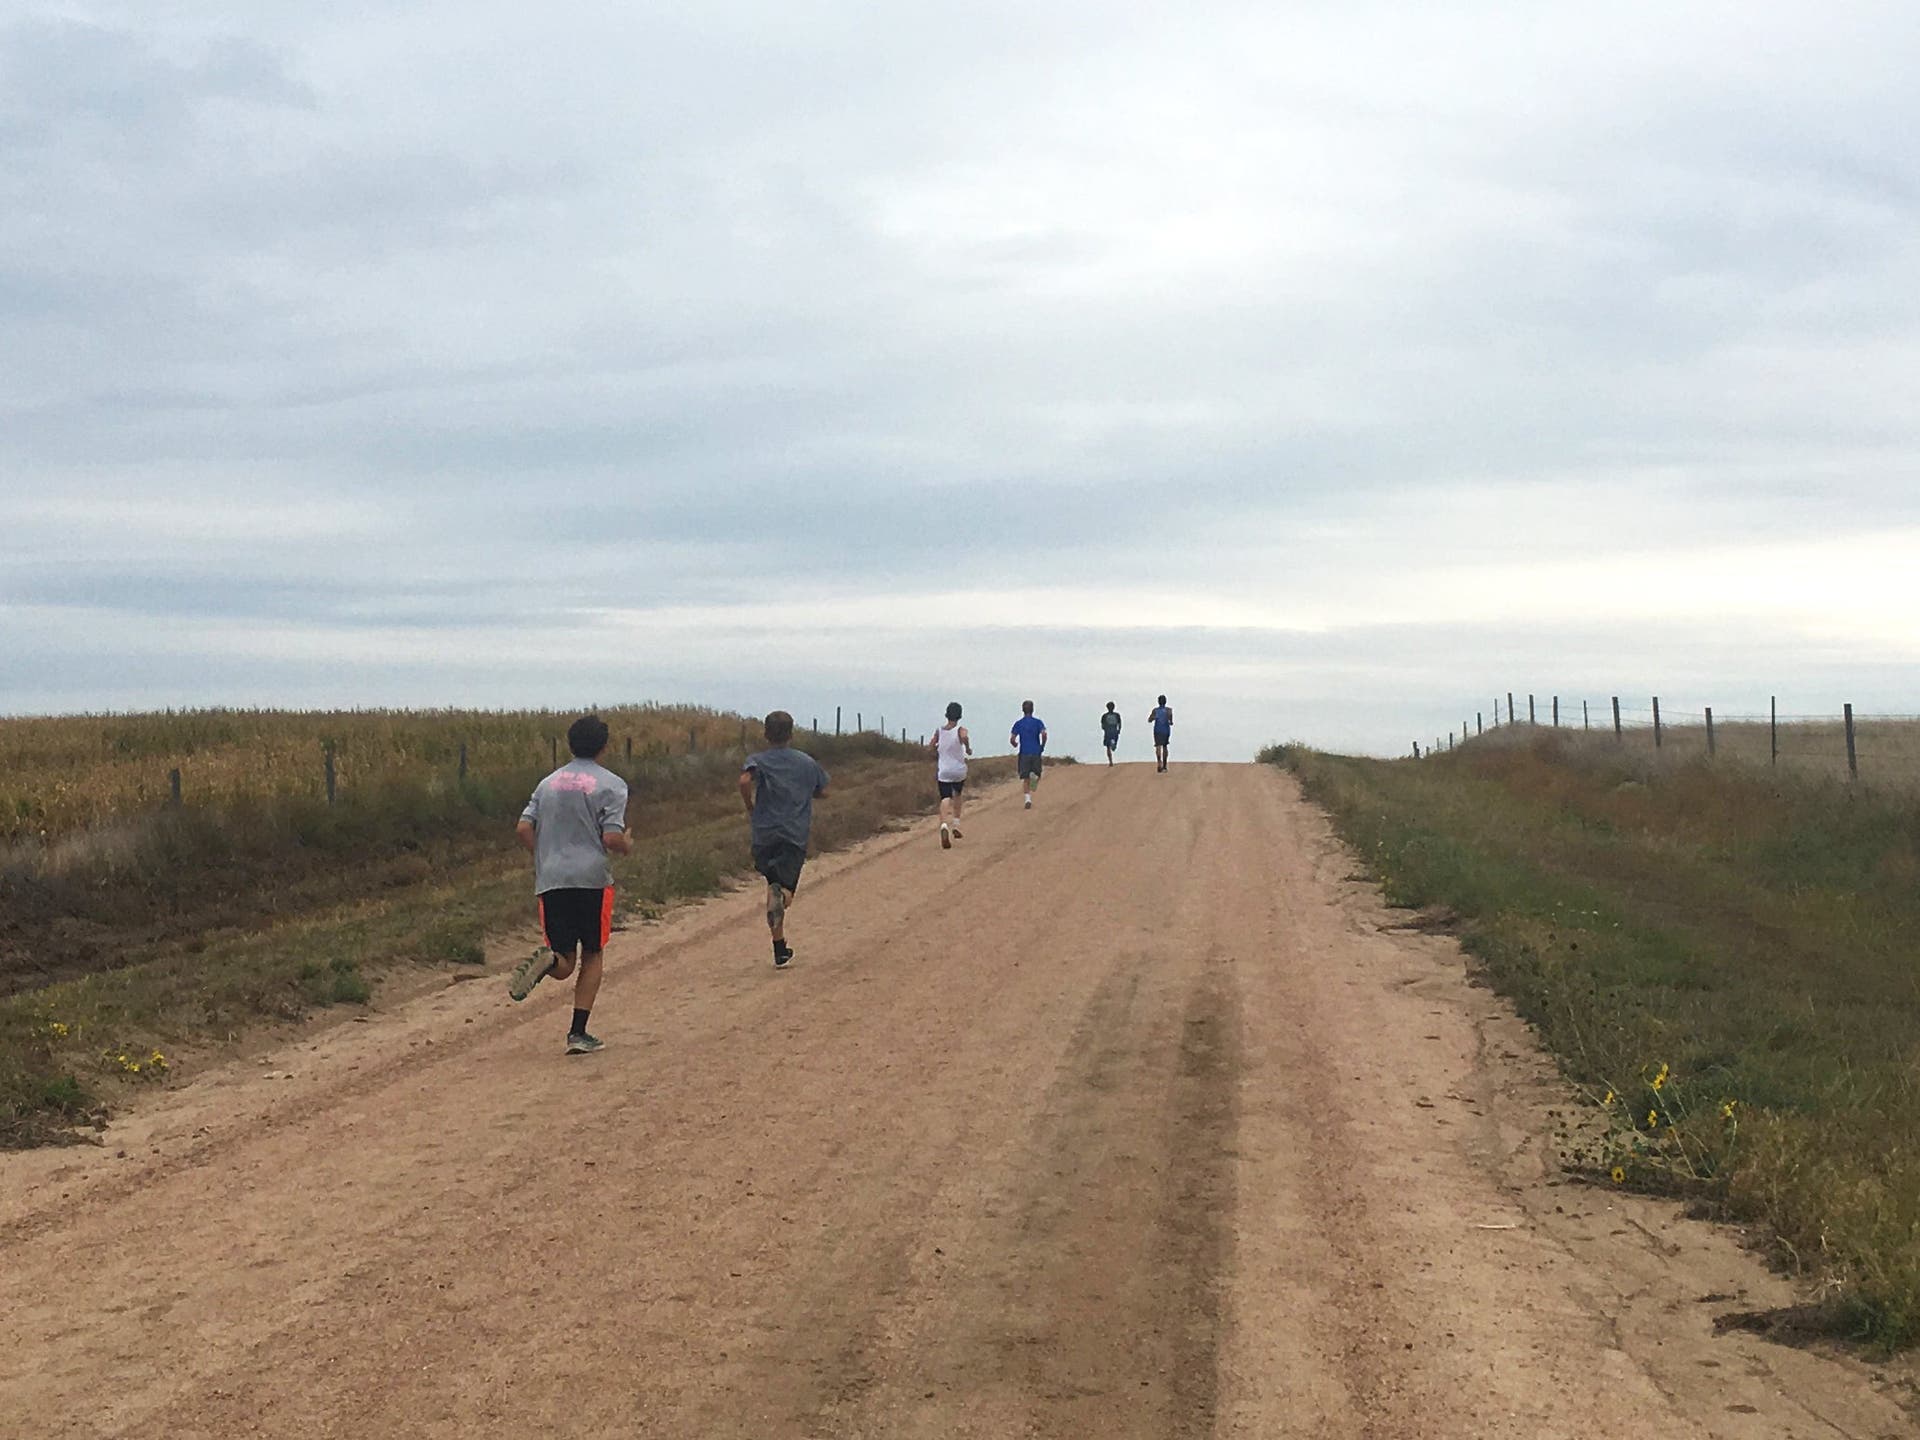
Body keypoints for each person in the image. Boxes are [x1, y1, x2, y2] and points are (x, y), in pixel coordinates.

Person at [508, 714, 634, 1055]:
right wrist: (627, 845)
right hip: (591, 879)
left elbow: (523, 828)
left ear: (569, 743)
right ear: (604, 746)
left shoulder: (547, 783)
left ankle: (547, 961)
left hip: (551, 878)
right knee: (593, 953)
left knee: (564, 961)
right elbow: (611, 836)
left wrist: (543, 855)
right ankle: (578, 1032)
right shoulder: (612, 784)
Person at [738, 710, 830, 970]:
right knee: (784, 891)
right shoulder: (806, 762)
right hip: (793, 834)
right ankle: (782, 899)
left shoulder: (756, 760)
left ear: (766, 734)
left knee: (772, 884)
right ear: (791, 733)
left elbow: (745, 780)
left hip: (764, 833)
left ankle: (779, 948)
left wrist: (750, 805)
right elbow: (823, 789)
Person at [929, 701, 970, 848]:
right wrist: (967, 747)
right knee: (957, 795)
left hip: (944, 770)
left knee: (945, 797)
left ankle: (943, 824)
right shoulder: (960, 729)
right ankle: (956, 825)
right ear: (959, 715)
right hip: (958, 769)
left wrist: (936, 751)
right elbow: (964, 737)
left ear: (947, 714)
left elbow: (931, 745)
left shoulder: (939, 731)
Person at [1010, 700, 1047, 809]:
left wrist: (1014, 744)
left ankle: (1027, 799)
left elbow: (1012, 738)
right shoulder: (1038, 722)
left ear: (1022, 710)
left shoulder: (1018, 723)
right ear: (1033, 709)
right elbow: (1044, 734)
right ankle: (1033, 783)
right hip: (1036, 752)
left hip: (1024, 753)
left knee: (1025, 777)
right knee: (1037, 774)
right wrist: (1042, 745)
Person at [1148, 694, 1174, 771]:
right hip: (1166, 730)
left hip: (1157, 730)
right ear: (1165, 702)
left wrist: (1154, 718)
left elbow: (1149, 720)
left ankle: (1159, 762)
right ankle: (1165, 765)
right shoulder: (1169, 710)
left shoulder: (1155, 710)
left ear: (1158, 702)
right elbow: (1171, 721)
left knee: (1158, 746)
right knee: (1165, 746)